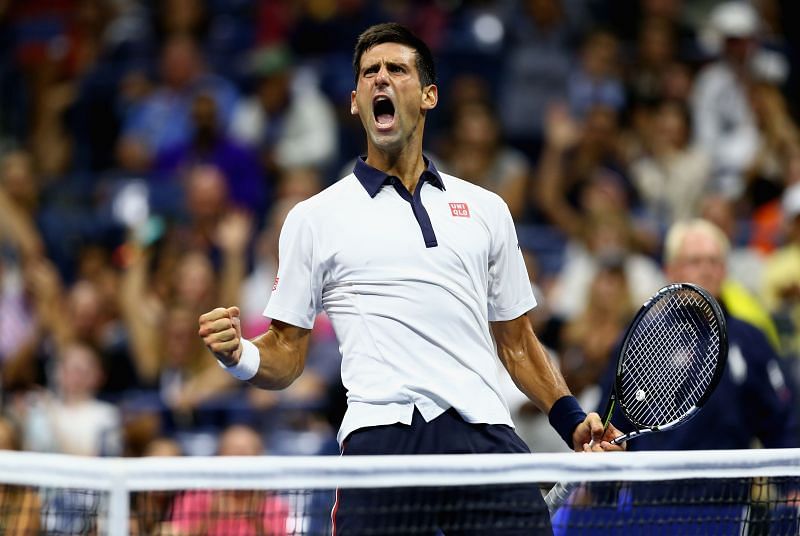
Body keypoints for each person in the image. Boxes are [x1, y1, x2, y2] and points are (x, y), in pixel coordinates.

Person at [199, 23, 623, 534]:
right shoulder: (313, 218)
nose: (381, 79)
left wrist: (572, 419)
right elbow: (287, 353)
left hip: (483, 434)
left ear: (428, 96)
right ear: (355, 101)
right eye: (369, 73)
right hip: (383, 438)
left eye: (396, 69)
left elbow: (516, 342)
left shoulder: (488, 210)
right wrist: (240, 355)